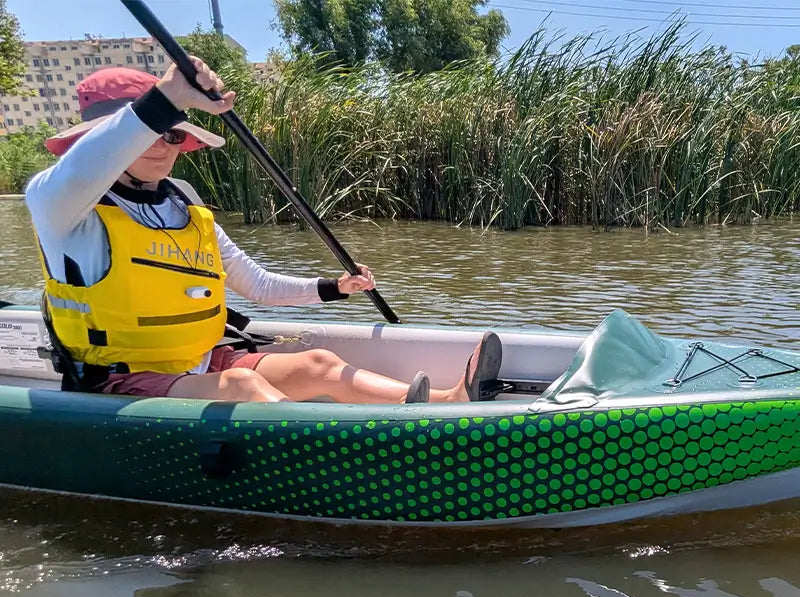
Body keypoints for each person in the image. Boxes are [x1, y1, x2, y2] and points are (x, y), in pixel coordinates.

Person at [26, 59, 502, 404]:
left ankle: (447, 403)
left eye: (172, 133)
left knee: (318, 363)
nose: (163, 144)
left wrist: (335, 288)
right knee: (242, 385)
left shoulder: (185, 209)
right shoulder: (62, 210)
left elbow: (257, 284)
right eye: (151, 130)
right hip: (117, 382)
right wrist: (165, 101)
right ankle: (354, 453)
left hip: (202, 362)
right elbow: (82, 169)